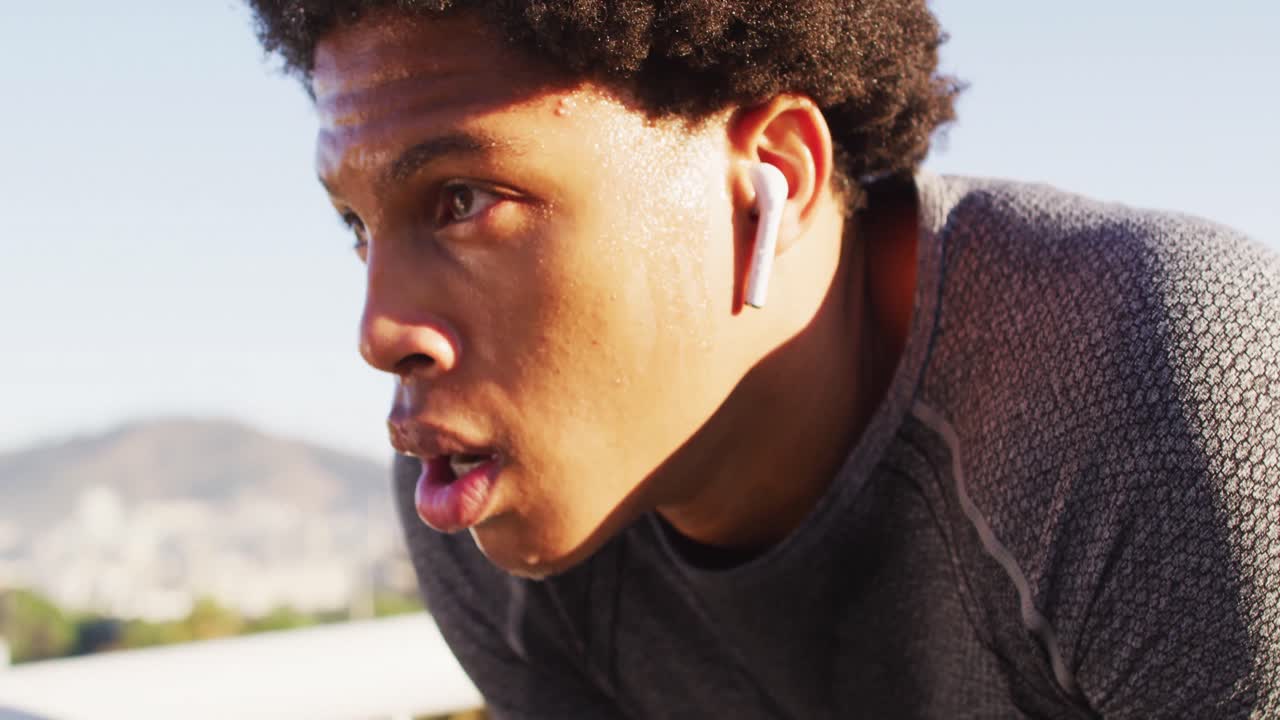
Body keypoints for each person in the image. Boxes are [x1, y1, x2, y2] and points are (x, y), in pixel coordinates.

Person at [246, 1, 1280, 717]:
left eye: (464, 201)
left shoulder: (1148, 389)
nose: (381, 332)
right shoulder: (485, 516)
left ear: (769, 179)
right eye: (356, 225)